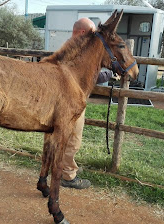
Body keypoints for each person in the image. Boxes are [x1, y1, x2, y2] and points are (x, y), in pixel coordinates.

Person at [61, 18, 118, 189]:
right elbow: (86, 77)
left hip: (64, 99)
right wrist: (109, 75)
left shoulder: (68, 46)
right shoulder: (77, 50)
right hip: (72, 102)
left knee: (61, 138)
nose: (95, 36)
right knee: (73, 140)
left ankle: (61, 169)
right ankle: (68, 176)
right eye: (93, 32)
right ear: (83, 32)